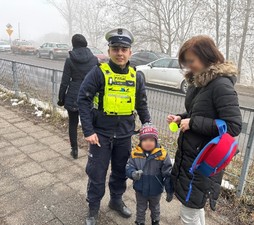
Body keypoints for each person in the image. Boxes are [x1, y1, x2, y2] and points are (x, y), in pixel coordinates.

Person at [77, 28, 151, 225]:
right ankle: (93, 208)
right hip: (100, 135)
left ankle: (116, 201)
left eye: (124, 49)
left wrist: (148, 125)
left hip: (125, 135)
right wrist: (88, 131)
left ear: (130, 52)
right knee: (97, 173)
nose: (120, 53)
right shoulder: (98, 72)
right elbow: (82, 100)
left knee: (120, 172)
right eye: (116, 48)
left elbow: (141, 104)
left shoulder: (137, 76)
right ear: (109, 51)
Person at [167, 35, 242, 225]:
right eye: (186, 62)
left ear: (207, 56)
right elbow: (197, 113)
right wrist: (182, 118)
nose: (188, 66)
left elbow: (233, 126)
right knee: (195, 207)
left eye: (191, 61)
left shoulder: (221, 85)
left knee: (189, 211)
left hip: (203, 159)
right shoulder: (200, 82)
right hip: (191, 156)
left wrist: (192, 123)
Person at [57, 34, 98, 159]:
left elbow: (65, 81)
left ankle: (74, 150)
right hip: (89, 95)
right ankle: (93, 151)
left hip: (73, 95)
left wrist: (61, 98)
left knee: (73, 123)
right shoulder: (94, 59)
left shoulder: (70, 60)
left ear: (73, 44)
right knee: (90, 124)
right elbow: (97, 80)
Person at [126, 125, 174, 225]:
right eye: (145, 140)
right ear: (140, 141)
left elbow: (168, 174)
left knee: (155, 207)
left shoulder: (162, 155)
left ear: (156, 141)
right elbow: (128, 167)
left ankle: (155, 221)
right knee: (140, 207)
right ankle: (140, 222)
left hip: (156, 190)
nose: (148, 142)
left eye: (151, 140)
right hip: (140, 188)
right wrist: (133, 174)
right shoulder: (135, 153)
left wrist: (169, 190)